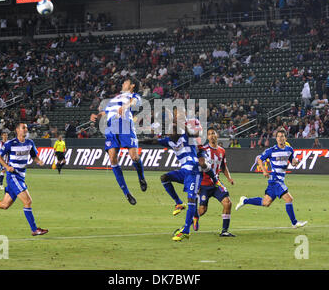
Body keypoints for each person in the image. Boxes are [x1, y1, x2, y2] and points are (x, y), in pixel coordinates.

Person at [140, 110, 204, 241]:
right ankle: (179, 203)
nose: (170, 133)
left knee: (191, 199)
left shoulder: (187, 136)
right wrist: (135, 141)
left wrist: (180, 121)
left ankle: (186, 230)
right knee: (164, 178)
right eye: (170, 131)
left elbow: (195, 133)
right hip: (183, 172)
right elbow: (151, 141)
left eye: (173, 130)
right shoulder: (169, 141)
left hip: (194, 170)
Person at [90, 77, 147, 205]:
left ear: (132, 86)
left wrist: (125, 106)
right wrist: (97, 115)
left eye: (126, 82)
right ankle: (126, 192)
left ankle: (141, 177)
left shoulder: (134, 95)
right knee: (112, 159)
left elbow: (133, 102)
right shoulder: (114, 99)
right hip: (111, 128)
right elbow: (106, 112)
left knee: (134, 157)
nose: (123, 83)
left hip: (125, 126)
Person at [235, 128, 307, 229]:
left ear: (285, 138)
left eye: (282, 136)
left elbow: (292, 161)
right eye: (278, 137)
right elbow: (259, 159)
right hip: (275, 179)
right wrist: (264, 170)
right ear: (276, 138)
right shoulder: (271, 150)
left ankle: (245, 200)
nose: (280, 138)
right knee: (289, 199)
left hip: (280, 179)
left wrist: (295, 162)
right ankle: (294, 223)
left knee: (266, 202)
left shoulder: (289, 149)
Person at [195, 127, 236, 237]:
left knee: (228, 203)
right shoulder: (203, 150)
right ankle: (187, 224)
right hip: (203, 185)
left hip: (216, 183)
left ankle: (224, 231)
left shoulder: (222, 150)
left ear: (217, 135)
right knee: (202, 210)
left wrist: (229, 178)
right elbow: (197, 167)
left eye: (213, 133)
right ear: (207, 137)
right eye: (209, 134)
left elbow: (223, 166)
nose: (212, 135)